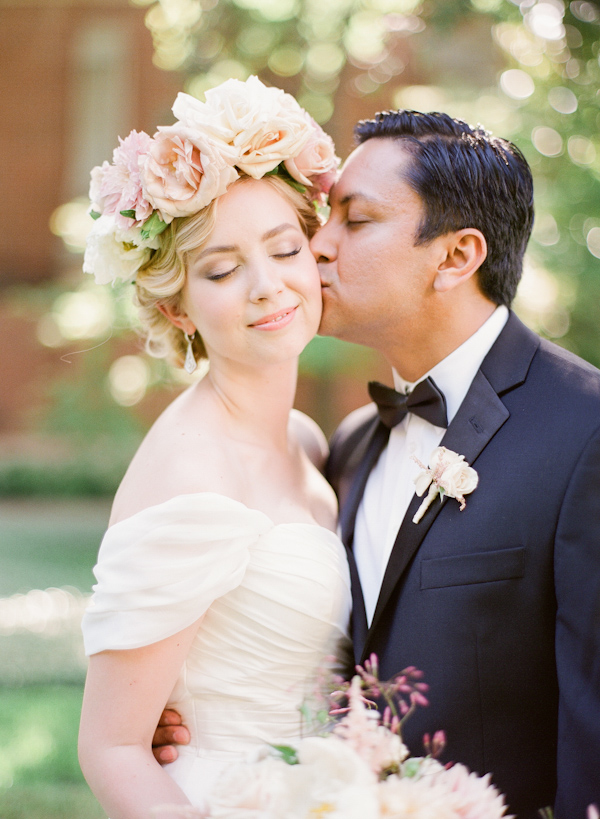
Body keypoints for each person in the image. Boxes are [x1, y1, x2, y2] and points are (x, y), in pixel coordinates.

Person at [155, 110, 600, 818]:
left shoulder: (587, 432)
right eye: (324, 216)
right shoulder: (353, 442)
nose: (317, 244)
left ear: (456, 256)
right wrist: (184, 703)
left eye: (354, 222)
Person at [77, 76, 351, 819]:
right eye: (224, 269)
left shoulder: (307, 440)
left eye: (285, 248)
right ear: (178, 305)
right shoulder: (188, 475)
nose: (268, 286)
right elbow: (111, 749)